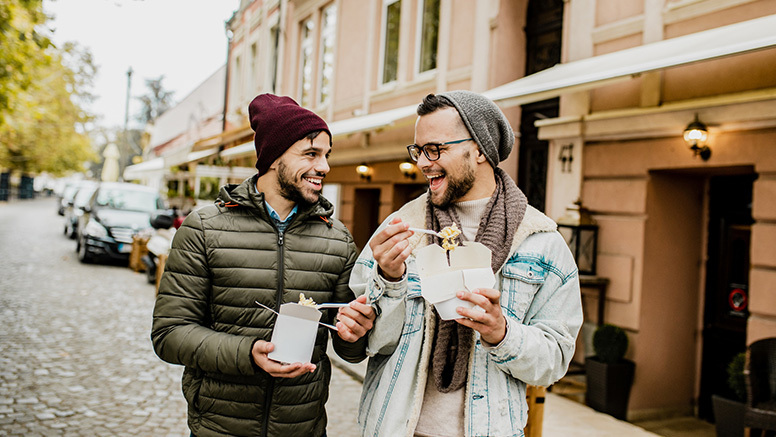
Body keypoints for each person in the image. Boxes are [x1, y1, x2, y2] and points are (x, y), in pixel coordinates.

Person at [350, 91, 583, 436]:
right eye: (419, 151)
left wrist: (501, 333)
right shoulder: (401, 230)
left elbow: (554, 361)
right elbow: (369, 343)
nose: (423, 163)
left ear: (478, 149)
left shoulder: (543, 243)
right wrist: (389, 279)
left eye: (435, 149)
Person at [152, 94, 375, 437]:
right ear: (273, 158)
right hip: (219, 428)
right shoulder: (204, 229)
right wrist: (247, 353)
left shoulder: (339, 239)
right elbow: (170, 334)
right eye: (311, 154)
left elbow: (351, 348)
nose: (325, 167)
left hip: (303, 429)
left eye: (326, 155)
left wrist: (357, 330)